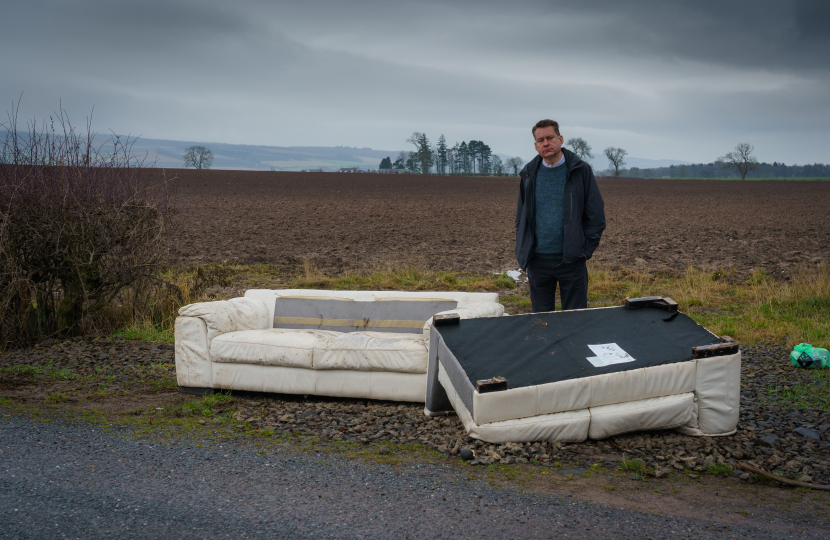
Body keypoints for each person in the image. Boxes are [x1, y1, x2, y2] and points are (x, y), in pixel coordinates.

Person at [515, 119, 606, 312]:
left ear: (560, 139)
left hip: (572, 261)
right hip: (538, 262)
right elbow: (521, 217)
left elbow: (596, 215)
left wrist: (585, 250)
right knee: (541, 322)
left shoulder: (581, 171)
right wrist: (524, 249)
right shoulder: (529, 174)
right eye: (540, 140)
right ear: (535, 145)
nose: (545, 143)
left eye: (550, 137)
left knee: (575, 322)